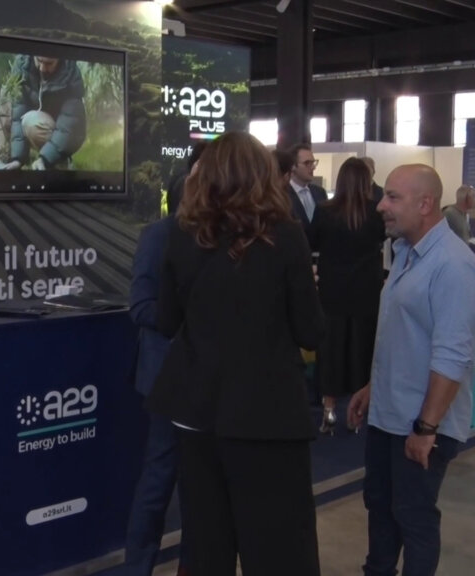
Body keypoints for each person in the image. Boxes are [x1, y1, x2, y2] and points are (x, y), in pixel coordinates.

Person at [146, 132, 325, 576]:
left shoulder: (183, 234)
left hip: (197, 412)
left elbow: (166, 321)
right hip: (266, 416)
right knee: (279, 550)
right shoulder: (285, 236)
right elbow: (310, 331)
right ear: (263, 174)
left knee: (207, 545)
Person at [348, 164, 475, 576]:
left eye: (392, 197)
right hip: (389, 415)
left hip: (422, 424)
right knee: (380, 506)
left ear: (425, 204)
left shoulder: (453, 265)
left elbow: (452, 356)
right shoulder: (405, 252)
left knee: (413, 515)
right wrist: (374, 387)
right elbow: (405, 338)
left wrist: (426, 429)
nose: (381, 206)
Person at [123, 143, 205, 576]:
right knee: (158, 482)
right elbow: (140, 306)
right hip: (167, 381)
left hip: (209, 382)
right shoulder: (158, 236)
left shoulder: (221, 238)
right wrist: (190, 321)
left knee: (201, 491)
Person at [308, 158, 386, 435]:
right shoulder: (376, 213)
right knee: (362, 350)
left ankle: (329, 411)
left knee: (331, 351)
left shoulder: (324, 210)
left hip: (332, 293)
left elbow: (312, 242)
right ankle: (358, 412)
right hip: (367, 293)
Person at [0, 55, 86, 171]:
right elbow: (18, 113)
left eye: (49, 64)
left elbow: (68, 127)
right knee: (4, 96)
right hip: (33, 120)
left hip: (59, 130)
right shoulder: (23, 64)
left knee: (31, 121)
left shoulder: (71, 75)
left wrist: (44, 159)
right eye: (39, 61)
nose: (42, 68)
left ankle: (59, 161)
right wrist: (18, 159)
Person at [287, 143, 328, 238]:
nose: (313, 167)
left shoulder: (320, 192)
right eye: (307, 163)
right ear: (293, 166)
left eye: (313, 162)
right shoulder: (283, 194)